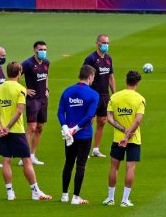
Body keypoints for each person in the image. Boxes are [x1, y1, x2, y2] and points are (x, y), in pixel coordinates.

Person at [0, 61, 51, 201]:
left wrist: (0, 126)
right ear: (19, 73)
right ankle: (35, 191)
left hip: (3, 131)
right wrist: (8, 127)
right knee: (27, 160)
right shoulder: (21, 89)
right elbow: (19, 111)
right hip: (16, 130)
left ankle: (10, 192)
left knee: (6, 161)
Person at [103, 70, 146, 207]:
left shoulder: (115, 97)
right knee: (130, 168)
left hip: (118, 139)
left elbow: (109, 117)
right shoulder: (140, 99)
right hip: (133, 139)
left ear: (125, 80)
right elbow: (138, 120)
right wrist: (128, 135)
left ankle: (110, 198)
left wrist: (122, 131)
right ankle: (125, 200)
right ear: (138, 83)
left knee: (114, 167)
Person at [58, 65, 99, 205]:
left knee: (68, 163)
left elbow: (59, 112)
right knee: (81, 165)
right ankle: (75, 197)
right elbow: (89, 116)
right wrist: (74, 130)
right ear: (90, 77)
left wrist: (66, 129)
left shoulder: (67, 91)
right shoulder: (94, 94)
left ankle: (64, 195)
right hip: (84, 135)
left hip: (68, 136)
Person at [83, 34, 116, 158]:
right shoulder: (91, 59)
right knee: (89, 121)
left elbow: (110, 76)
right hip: (92, 96)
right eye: (104, 43)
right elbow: (84, 76)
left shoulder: (108, 58)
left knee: (102, 121)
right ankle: (84, 149)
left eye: (107, 42)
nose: (106, 45)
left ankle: (96, 149)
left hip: (104, 95)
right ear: (97, 43)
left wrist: (114, 93)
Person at [21, 41, 50, 165]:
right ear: (35, 50)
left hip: (43, 99)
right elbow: (14, 77)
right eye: (40, 49)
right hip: (32, 100)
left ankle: (32, 155)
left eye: (44, 49)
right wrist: (25, 90)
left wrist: (47, 89)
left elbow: (46, 76)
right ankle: (24, 156)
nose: (43, 51)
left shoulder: (46, 63)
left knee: (40, 127)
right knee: (31, 127)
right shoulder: (27, 64)